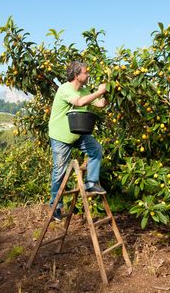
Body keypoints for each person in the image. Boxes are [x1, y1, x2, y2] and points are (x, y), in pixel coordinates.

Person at [48, 60, 107, 222]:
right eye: (85, 73)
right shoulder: (64, 89)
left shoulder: (85, 90)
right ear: (76, 75)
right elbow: (80, 102)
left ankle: (91, 182)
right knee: (59, 172)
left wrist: (109, 93)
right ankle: (55, 206)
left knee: (96, 149)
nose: (88, 75)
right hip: (61, 136)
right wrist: (99, 91)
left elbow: (100, 104)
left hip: (77, 132)